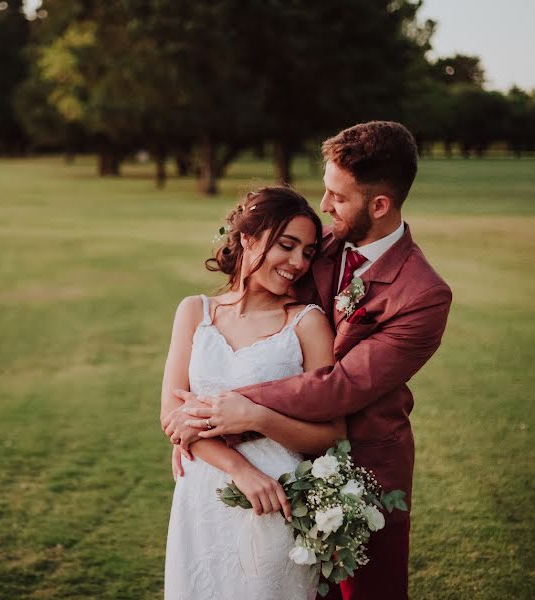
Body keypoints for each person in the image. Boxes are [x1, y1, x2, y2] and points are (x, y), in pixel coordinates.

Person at [165, 121, 452, 600]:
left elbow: (339, 385)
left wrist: (213, 411)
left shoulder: (422, 295)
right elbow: (253, 302)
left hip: (363, 470)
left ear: (379, 205)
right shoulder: (314, 244)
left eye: (337, 196)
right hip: (262, 460)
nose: (324, 206)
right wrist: (211, 431)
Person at [160, 186, 347, 600]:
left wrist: (257, 418)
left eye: (309, 252)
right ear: (247, 237)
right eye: (287, 245)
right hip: (202, 497)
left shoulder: (307, 324)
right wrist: (239, 471)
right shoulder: (195, 312)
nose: (298, 263)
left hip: (273, 501)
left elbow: (332, 432)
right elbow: (172, 417)